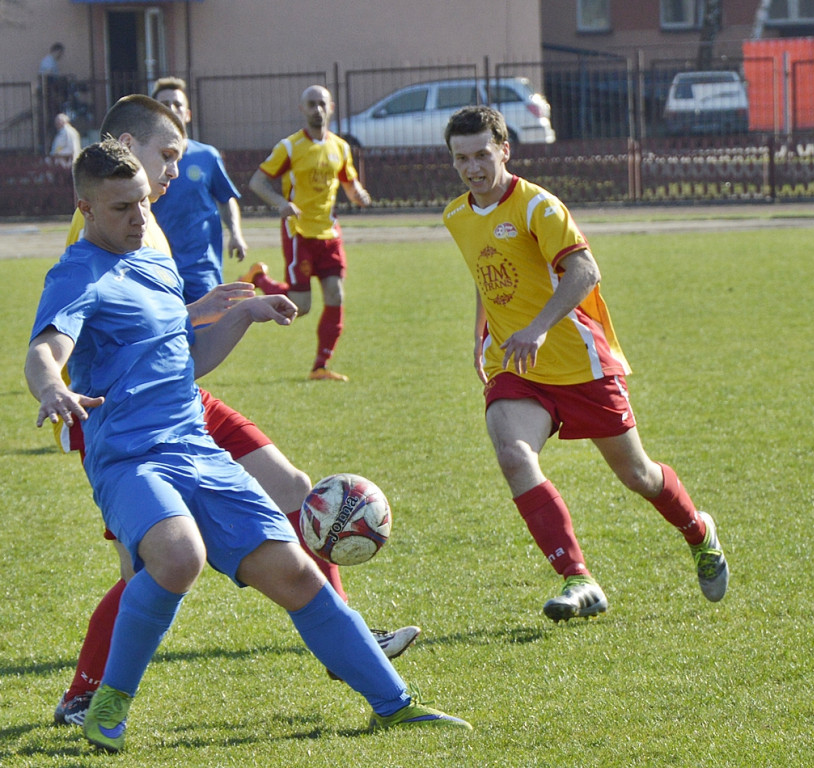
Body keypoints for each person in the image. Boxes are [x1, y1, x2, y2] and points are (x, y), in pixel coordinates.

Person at [26, 139, 471, 753]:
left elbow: (185, 359)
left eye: (143, 205)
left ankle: (394, 704)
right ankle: (108, 706)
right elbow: (46, 347)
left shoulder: (154, 261)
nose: (138, 216)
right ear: (87, 208)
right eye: (123, 208)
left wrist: (245, 314)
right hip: (130, 458)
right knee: (179, 555)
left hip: (196, 446)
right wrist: (51, 385)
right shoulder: (78, 273)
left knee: (294, 573)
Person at [441, 106, 729, 622]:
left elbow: (585, 270)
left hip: (581, 364)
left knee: (638, 475)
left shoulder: (538, 208)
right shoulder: (456, 215)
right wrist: (480, 334)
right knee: (512, 452)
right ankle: (578, 578)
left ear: (504, 150)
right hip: (518, 365)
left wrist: (540, 326)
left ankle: (699, 532)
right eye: (462, 158)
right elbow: (486, 274)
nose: (473, 167)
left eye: (482, 154)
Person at [245, 84, 372, 381]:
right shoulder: (289, 147)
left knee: (335, 295)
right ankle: (259, 278)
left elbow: (350, 184)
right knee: (300, 306)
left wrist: (359, 195)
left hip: (329, 233)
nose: (317, 109)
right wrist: (281, 203)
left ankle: (320, 366)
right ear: (302, 109)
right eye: (311, 104)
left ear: (331, 107)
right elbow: (257, 182)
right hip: (298, 233)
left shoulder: (340, 147)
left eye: (321, 104)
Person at [149, 77, 249, 304]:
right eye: (164, 105)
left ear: (187, 114)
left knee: (208, 333)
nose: (172, 109)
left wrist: (235, 233)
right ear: (154, 114)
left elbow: (225, 198)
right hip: (158, 264)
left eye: (177, 104)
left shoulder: (207, 156)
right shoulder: (144, 160)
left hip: (202, 267)